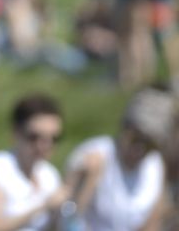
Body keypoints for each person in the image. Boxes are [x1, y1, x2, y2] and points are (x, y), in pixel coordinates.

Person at [63, 87, 173, 231]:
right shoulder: (96, 156)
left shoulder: (155, 165)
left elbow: (153, 223)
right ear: (124, 128)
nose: (140, 148)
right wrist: (86, 183)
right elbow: (67, 218)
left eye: (150, 143)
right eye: (136, 138)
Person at [0, 93, 67, 231]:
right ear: (16, 132)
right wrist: (43, 207)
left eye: (53, 138)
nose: (44, 146)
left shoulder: (49, 174)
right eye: (34, 137)